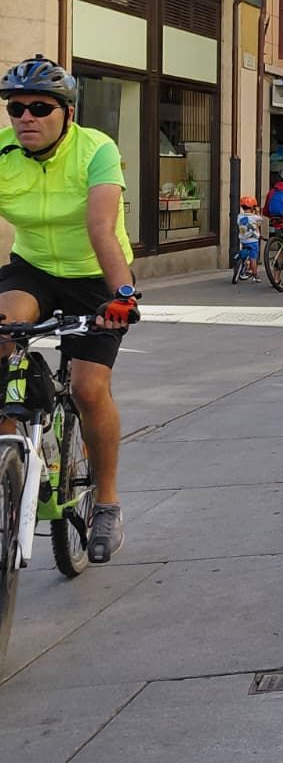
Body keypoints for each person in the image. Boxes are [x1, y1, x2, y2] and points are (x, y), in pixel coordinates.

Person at [0, 55, 139, 562]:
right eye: (16, 108)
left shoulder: (95, 150)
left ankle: (105, 502)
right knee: (4, 333)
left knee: (87, 387)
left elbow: (103, 229)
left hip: (93, 275)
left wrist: (121, 297)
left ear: (68, 113)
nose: (26, 118)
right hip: (33, 268)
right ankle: (11, 462)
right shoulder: (2, 153)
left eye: (40, 107)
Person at [236, 195, 266, 282]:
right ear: (253, 207)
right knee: (253, 258)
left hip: (243, 239)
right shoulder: (255, 217)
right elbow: (261, 222)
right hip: (253, 241)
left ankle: (244, 268)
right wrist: (257, 212)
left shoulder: (239, 216)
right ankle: (255, 275)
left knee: (245, 253)